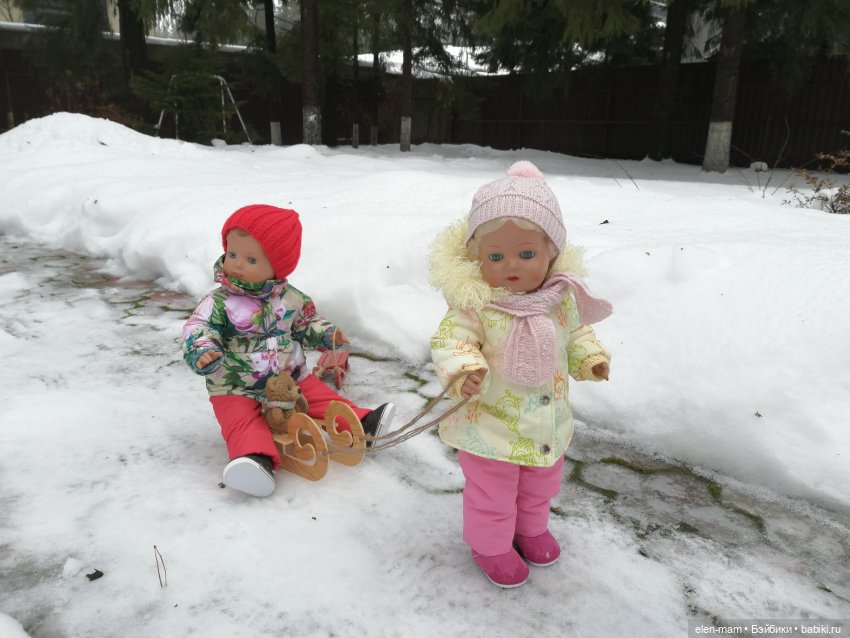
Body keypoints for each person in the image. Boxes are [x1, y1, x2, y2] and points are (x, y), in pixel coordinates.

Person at [429, 161, 612, 588]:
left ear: (552, 251)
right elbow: (451, 340)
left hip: (546, 424)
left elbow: (576, 333)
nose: (511, 265)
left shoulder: (560, 301)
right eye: (496, 256)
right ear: (477, 257)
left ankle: (529, 530)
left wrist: (590, 358)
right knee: (492, 494)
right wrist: (464, 369)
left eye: (526, 253)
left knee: (539, 484)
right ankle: (490, 545)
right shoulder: (476, 304)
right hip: (488, 427)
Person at [183, 204, 395, 497]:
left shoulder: (291, 299)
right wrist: (203, 349)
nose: (238, 264)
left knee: (319, 396)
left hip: (290, 379)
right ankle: (254, 461)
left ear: (277, 266)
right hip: (234, 385)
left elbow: (306, 323)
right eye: (232, 254)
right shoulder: (218, 302)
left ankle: (362, 422)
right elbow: (198, 327)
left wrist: (326, 333)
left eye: (251, 258)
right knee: (241, 421)